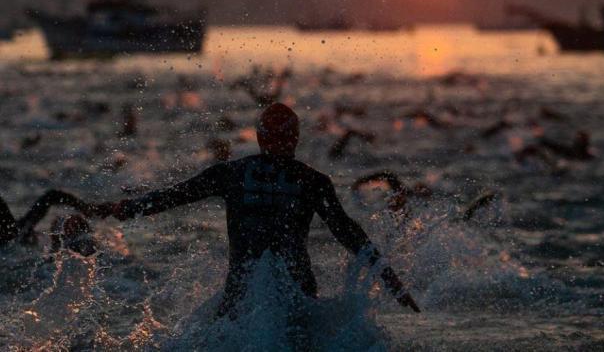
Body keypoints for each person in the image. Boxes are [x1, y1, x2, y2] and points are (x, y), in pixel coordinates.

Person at [99, 103, 420, 317]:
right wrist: (391, 281)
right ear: (296, 138)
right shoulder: (312, 181)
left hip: (242, 295)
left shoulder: (231, 174)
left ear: (259, 137)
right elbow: (349, 233)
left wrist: (126, 208)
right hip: (298, 294)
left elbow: (174, 196)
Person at [0, 189, 99, 256]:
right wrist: (83, 207)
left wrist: (82, 206)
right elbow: (51, 196)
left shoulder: (21, 231)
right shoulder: (21, 230)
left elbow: (51, 196)